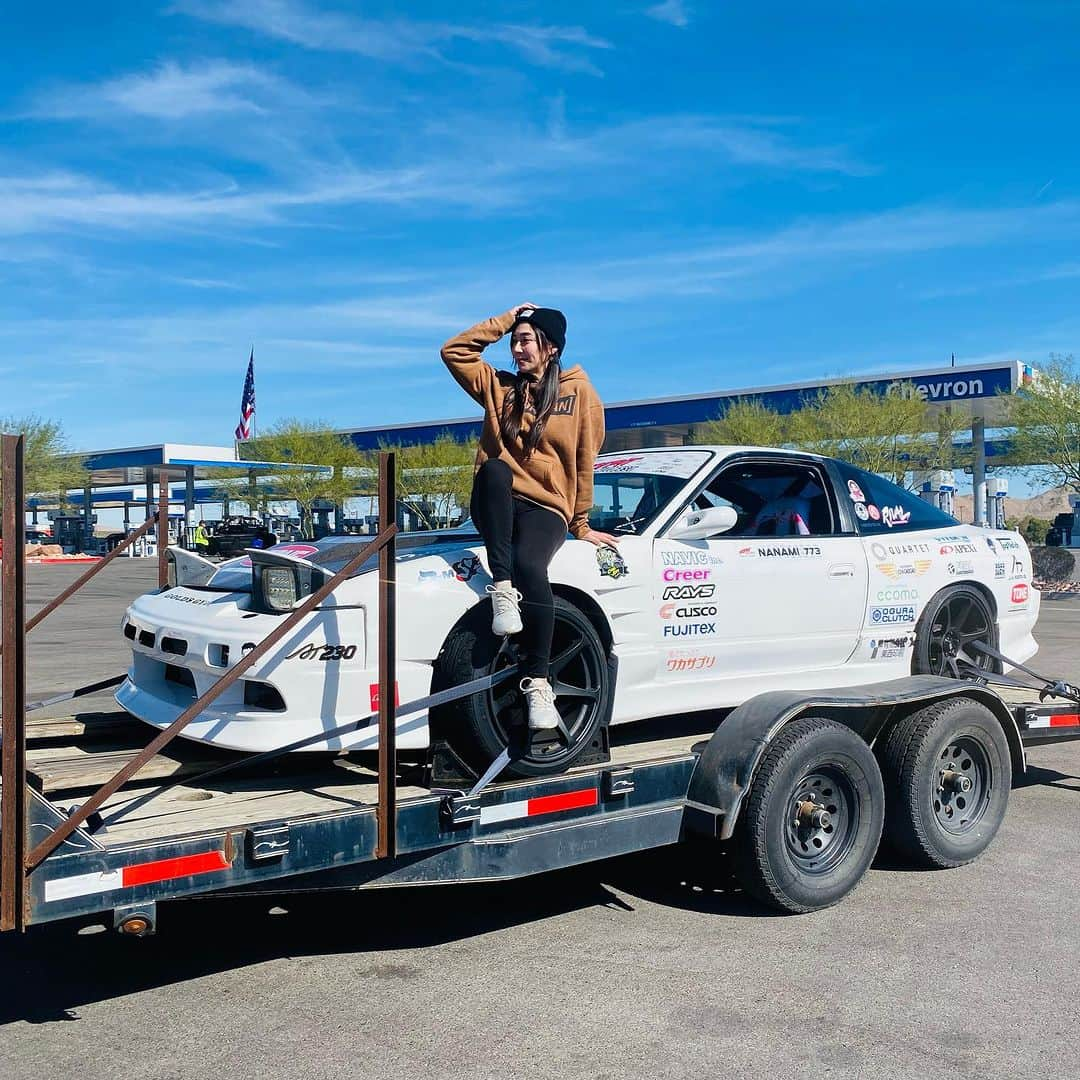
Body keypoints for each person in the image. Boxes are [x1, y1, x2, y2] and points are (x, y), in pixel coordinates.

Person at [441, 303, 618, 730]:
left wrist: (580, 523)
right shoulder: (498, 387)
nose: (517, 348)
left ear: (551, 348)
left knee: (531, 565)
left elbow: (583, 460)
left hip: (546, 505)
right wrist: (507, 319)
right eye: (514, 341)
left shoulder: (580, 394)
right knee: (496, 469)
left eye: (526, 340)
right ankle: (502, 589)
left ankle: (538, 682)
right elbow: (454, 351)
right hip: (497, 501)